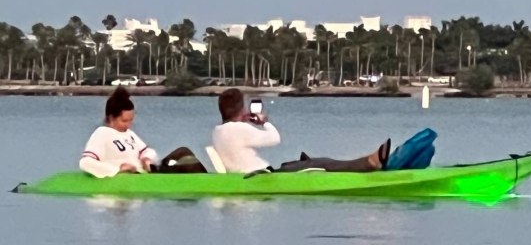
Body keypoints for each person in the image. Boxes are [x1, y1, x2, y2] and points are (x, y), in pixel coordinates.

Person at [212, 89, 390, 174]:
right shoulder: (240, 129)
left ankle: (308, 163)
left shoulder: (218, 131)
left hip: (263, 173)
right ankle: (367, 163)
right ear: (241, 109)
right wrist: (264, 122)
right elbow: (274, 139)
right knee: (324, 162)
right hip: (263, 175)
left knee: (303, 162)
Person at [79, 87, 206, 178]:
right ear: (111, 117)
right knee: (188, 165)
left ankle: (209, 180)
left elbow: (147, 151)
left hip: (149, 172)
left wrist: (146, 158)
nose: (129, 124)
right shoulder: (101, 134)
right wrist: (117, 169)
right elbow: (86, 162)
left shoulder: (129, 134)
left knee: (183, 152)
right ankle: (209, 183)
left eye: (131, 120)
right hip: (134, 177)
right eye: (124, 121)